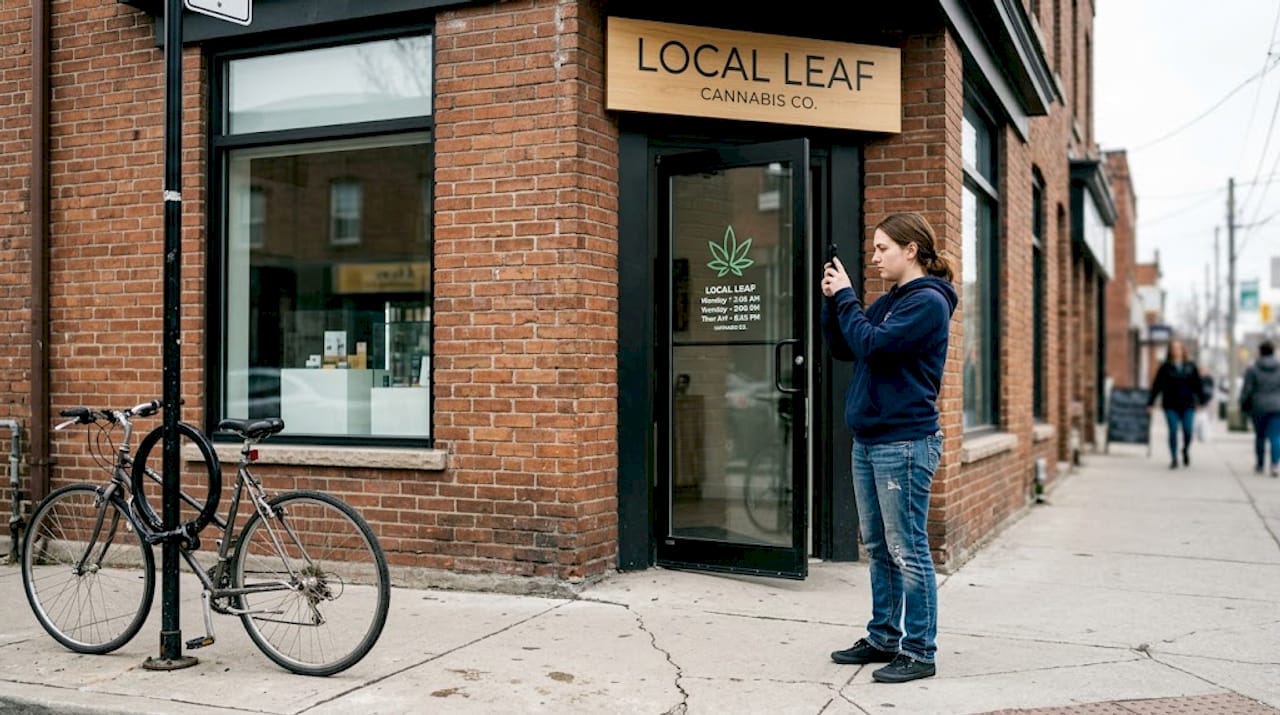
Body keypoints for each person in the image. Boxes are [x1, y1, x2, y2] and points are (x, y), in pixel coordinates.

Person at [821, 212, 957, 684]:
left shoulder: (928, 302)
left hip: (905, 443)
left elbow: (874, 346)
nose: (875, 257)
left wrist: (847, 297)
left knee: (907, 548)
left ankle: (919, 651)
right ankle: (883, 637)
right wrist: (833, 302)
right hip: (871, 441)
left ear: (910, 250)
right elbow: (847, 346)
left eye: (883, 248)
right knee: (879, 547)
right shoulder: (891, 301)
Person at [1146, 340, 1202, 469]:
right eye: (1174, 348)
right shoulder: (1165, 367)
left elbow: (1198, 385)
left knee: (1188, 430)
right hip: (1170, 404)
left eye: (1178, 348)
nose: (1176, 350)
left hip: (1188, 404)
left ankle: (1185, 450)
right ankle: (1174, 458)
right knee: (1173, 430)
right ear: (1170, 351)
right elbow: (1157, 386)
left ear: (1183, 350)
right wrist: (1151, 403)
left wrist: (1200, 401)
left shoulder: (1191, 366)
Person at [1240, 340, 1280, 477]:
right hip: (1276, 407)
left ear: (1260, 352)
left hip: (1258, 407)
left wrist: (1243, 404)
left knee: (1260, 436)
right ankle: (1275, 465)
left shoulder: (1253, 369)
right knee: (1276, 436)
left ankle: (1260, 464)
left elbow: (1247, 390)